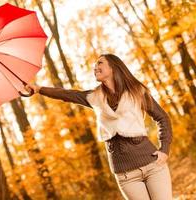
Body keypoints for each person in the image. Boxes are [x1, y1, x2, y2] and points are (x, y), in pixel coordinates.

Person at [23, 53, 173, 200]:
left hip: (153, 165)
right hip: (126, 175)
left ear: (114, 67)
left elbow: (162, 118)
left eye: (99, 63)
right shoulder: (94, 97)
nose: (95, 67)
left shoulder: (137, 92)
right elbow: (68, 94)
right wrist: (39, 89)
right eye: (95, 65)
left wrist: (164, 149)